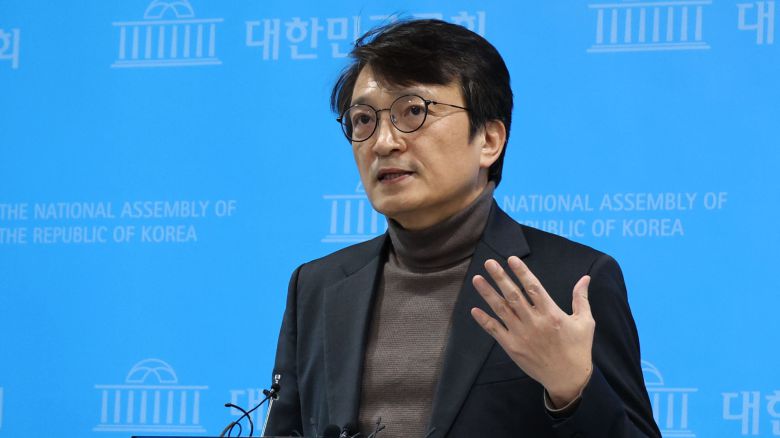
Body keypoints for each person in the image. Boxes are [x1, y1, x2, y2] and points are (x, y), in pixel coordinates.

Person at [263, 19, 661, 438]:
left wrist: (573, 389)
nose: (383, 142)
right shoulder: (317, 286)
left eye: (413, 112)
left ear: (489, 140)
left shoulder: (569, 282)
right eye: (363, 119)